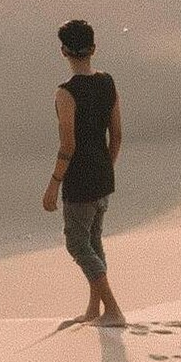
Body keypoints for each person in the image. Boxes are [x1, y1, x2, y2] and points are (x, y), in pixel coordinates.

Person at [42, 18, 125, 328]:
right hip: (103, 176)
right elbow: (117, 136)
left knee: (77, 244)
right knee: (93, 240)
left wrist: (54, 184)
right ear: (93, 48)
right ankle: (94, 309)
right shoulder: (108, 82)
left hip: (79, 182)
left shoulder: (66, 93)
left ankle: (113, 310)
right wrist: (105, 169)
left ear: (64, 51)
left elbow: (68, 145)